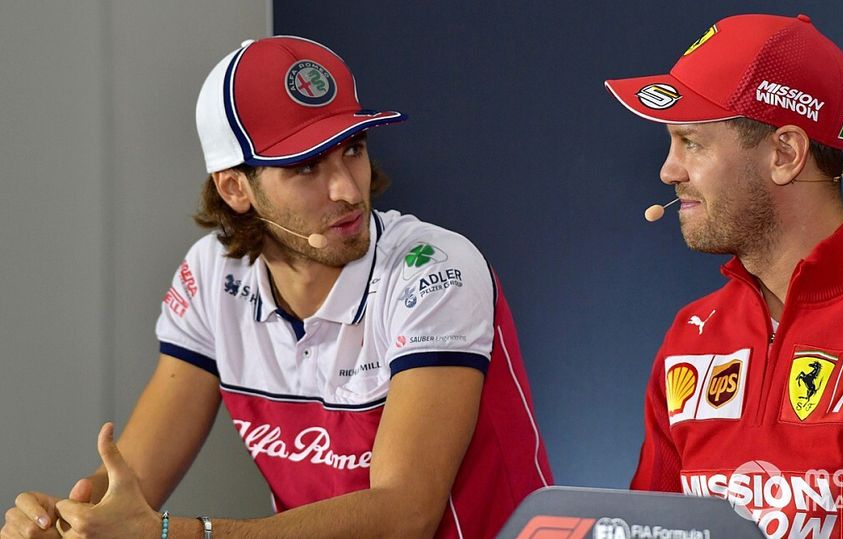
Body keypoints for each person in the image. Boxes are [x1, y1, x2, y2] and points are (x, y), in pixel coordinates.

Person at [2, 36, 551, 539]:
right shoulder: (213, 277)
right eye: (307, 166)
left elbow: (403, 516)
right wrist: (66, 522)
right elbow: (133, 484)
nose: (347, 190)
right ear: (235, 188)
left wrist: (175, 536)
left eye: (353, 149)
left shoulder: (435, 268)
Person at [604, 13, 843, 538]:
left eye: (691, 142)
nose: (669, 170)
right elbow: (647, 529)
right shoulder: (691, 333)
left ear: (785, 153)